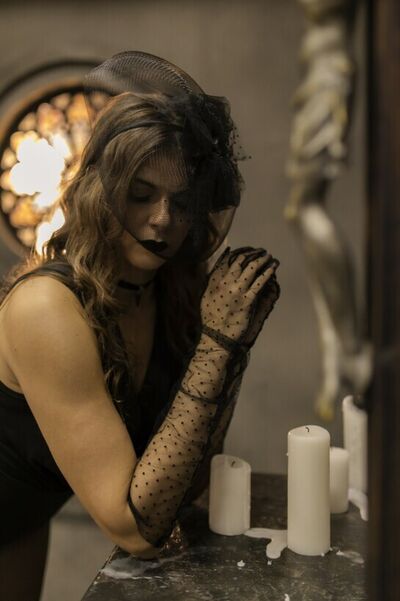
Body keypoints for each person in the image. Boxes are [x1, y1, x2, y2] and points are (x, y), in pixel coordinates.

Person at [0, 51, 280, 600]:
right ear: (100, 191)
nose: (163, 220)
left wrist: (232, 347)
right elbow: (135, 529)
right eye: (141, 194)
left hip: (21, 519)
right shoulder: (46, 308)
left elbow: (185, 482)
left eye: (183, 201)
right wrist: (218, 345)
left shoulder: (167, 293)